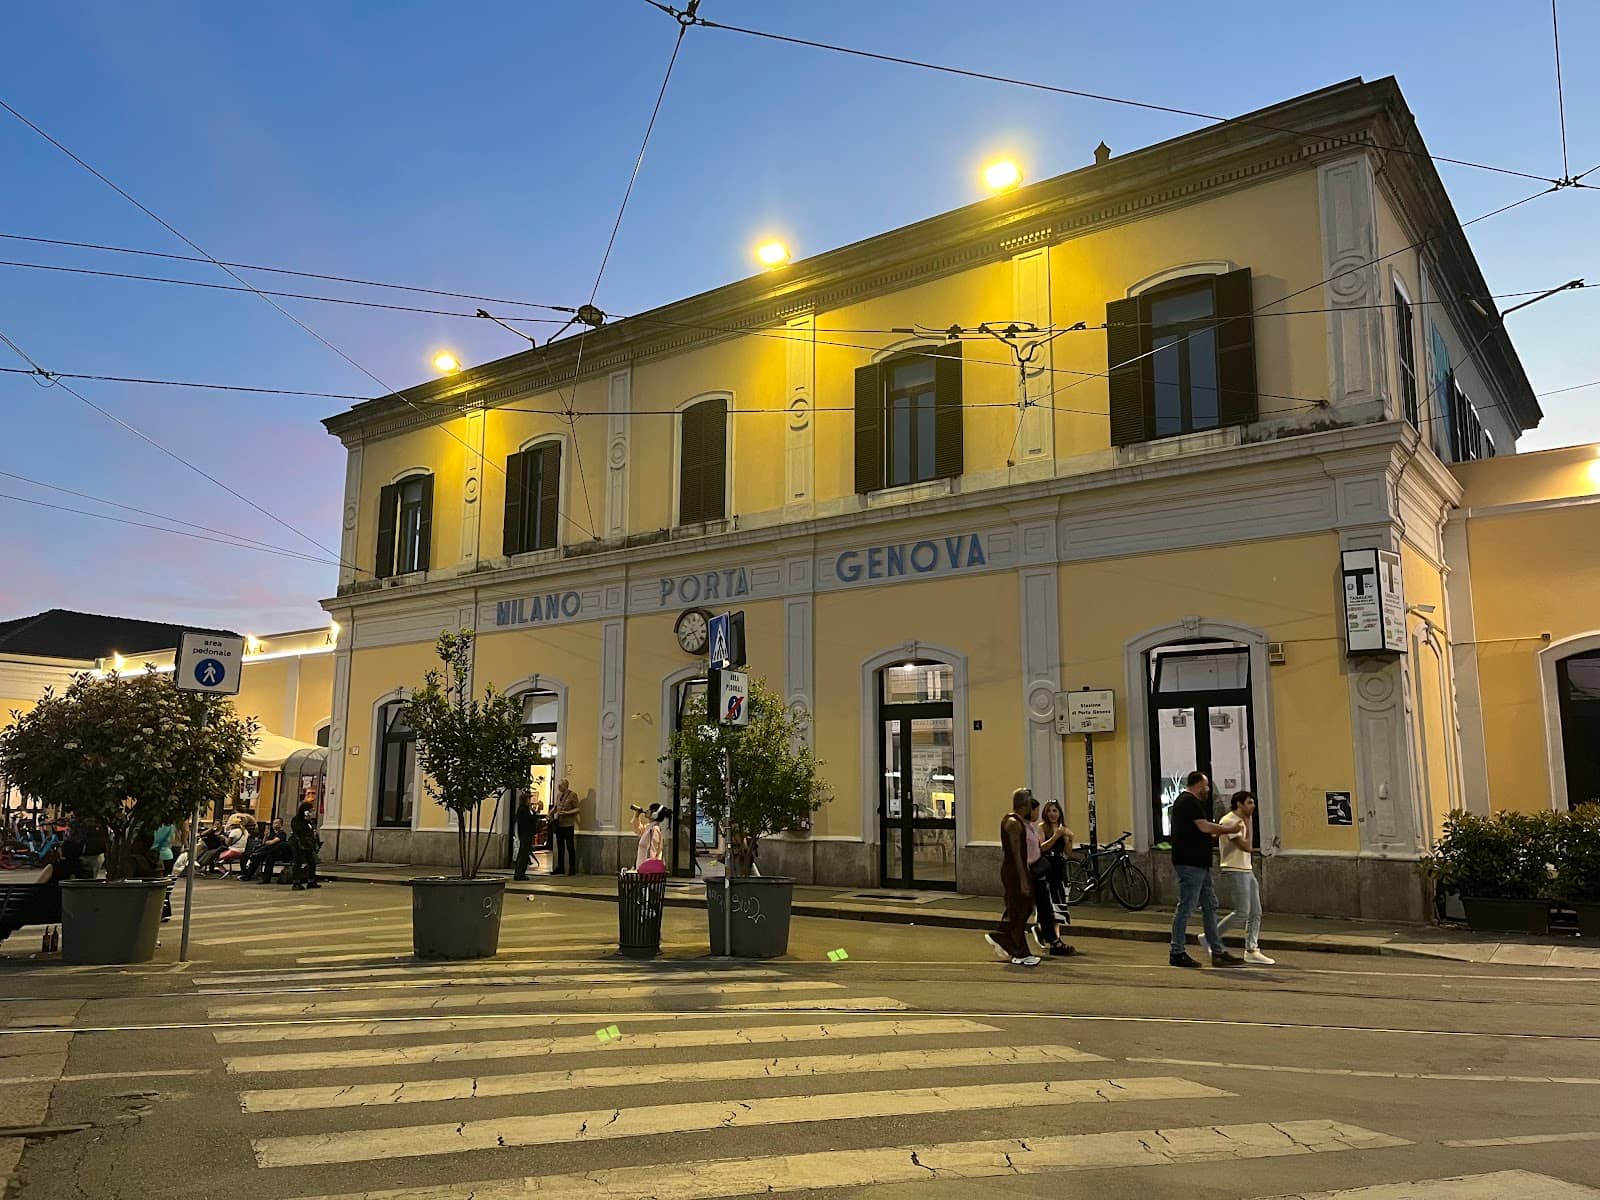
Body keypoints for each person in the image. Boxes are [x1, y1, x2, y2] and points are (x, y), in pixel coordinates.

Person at [1168, 770, 1245, 969]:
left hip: (1198, 863)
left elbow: (1198, 831)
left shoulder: (1188, 803)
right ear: (1199, 785)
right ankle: (1177, 951)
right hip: (1190, 863)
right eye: (1206, 785)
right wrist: (1229, 829)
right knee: (1186, 907)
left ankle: (1217, 951)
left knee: (1210, 905)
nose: (1208, 789)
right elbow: (1203, 827)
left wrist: (1215, 832)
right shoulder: (1188, 802)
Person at [984, 788, 1041, 967]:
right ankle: (1019, 951)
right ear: (1024, 805)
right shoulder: (1013, 823)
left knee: (1020, 909)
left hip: (1016, 871)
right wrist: (1023, 878)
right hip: (1014, 872)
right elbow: (1017, 854)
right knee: (1020, 910)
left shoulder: (1015, 821)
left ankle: (1002, 936)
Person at [1217, 790, 1274, 965]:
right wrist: (1248, 824)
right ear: (1239, 804)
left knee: (1256, 911)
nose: (1253, 806)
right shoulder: (1229, 821)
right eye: (1250, 802)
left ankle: (1251, 948)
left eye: (1253, 802)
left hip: (1246, 869)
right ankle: (1211, 937)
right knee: (1242, 912)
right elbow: (1247, 846)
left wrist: (1247, 822)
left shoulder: (1242, 821)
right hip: (1234, 869)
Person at [1031, 800, 1076, 957]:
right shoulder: (1042, 828)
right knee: (1048, 904)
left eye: (1055, 811)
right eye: (1049, 810)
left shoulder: (1063, 829)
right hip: (1045, 869)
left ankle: (1054, 938)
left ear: (1060, 813)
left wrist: (1069, 840)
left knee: (1059, 905)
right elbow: (1041, 847)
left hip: (1058, 869)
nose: (1052, 814)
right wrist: (1055, 837)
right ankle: (1052, 938)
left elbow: (1068, 854)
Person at [290, 801, 321, 890]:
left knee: (311, 862)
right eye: (310, 811)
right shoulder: (297, 820)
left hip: (308, 844)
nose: (311, 813)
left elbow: (310, 831)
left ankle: (311, 881)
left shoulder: (308, 821)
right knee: (298, 862)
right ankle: (296, 882)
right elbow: (298, 831)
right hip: (299, 844)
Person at [250, 818, 290, 885]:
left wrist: (268, 842)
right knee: (257, 857)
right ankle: (248, 875)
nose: (274, 825)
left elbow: (272, 842)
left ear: (281, 825)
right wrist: (265, 836)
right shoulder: (272, 834)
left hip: (279, 853)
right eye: (274, 823)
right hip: (270, 852)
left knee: (269, 858)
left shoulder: (282, 833)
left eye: (277, 823)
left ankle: (266, 879)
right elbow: (264, 843)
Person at [513, 794, 543, 881]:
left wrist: (534, 810)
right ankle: (519, 874)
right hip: (525, 834)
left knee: (524, 854)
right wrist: (535, 811)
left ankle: (521, 873)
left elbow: (533, 817)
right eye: (528, 799)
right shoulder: (522, 809)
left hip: (527, 834)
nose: (530, 801)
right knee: (523, 854)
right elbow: (530, 819)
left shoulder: (527, 809)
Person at [552, 778, 579, 876]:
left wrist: (567, 812)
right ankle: (560, 867)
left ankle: (572, 868)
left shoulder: (572, 795)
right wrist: (550, 813)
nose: (559, 787)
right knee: (560, 847)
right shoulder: (558, 795)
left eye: (561, 785)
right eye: (558, 785)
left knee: (570, 847)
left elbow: (577, 809)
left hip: (568, 825)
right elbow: (556, 807)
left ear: (566, 786)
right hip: (559, 824)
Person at [152, 822, 177, 920]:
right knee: (165, 884)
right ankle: (166, 911)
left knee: (154, 884)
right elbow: (172, 840)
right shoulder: (169, 824)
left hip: (153, 856)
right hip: (167, 854)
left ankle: (158, 911)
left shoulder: (149, 823)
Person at [633, 804, 667, 868]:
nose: (647, 810)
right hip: (643, 868)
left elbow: (653, 850)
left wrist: (648, 867)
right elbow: (638, 830)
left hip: (647, 870)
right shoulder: (649, 827)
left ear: (655, 814)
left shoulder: (654, 829)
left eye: (650, 810)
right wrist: (637, 815)